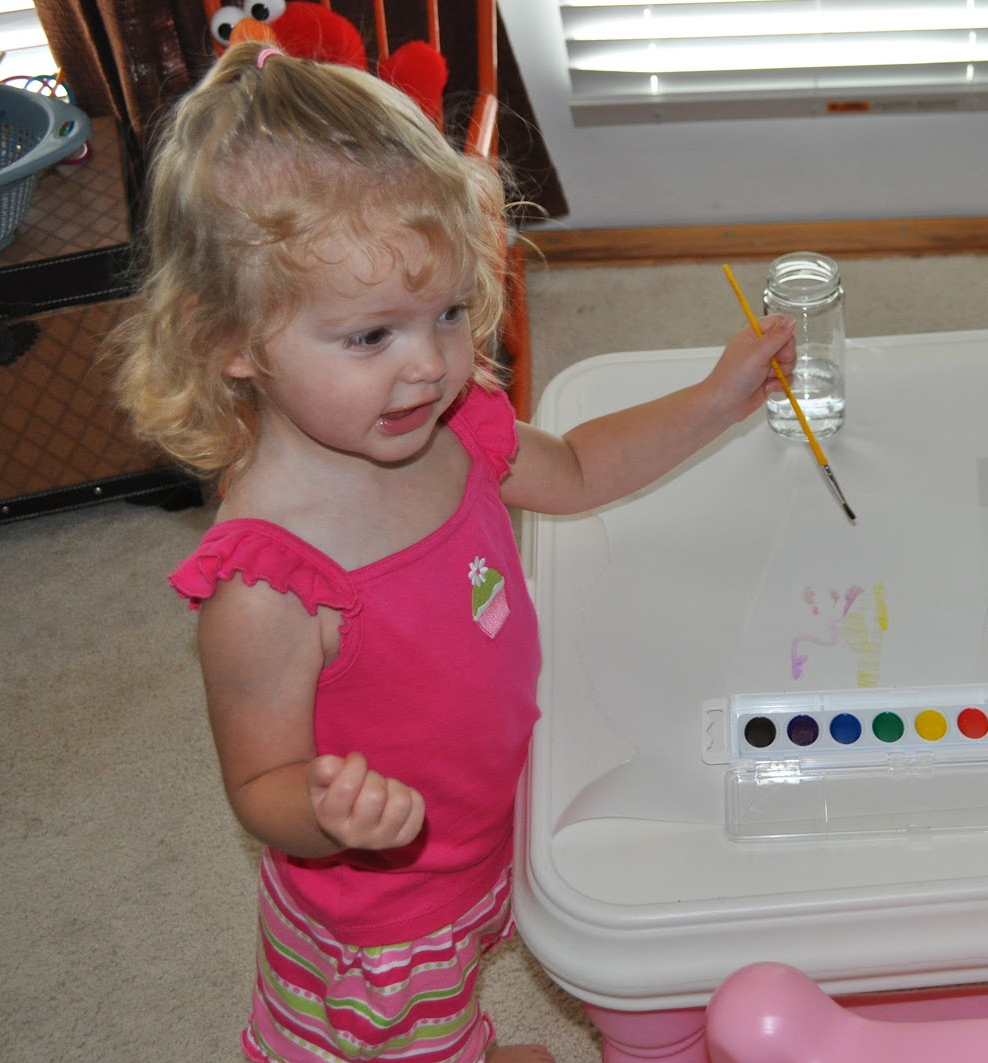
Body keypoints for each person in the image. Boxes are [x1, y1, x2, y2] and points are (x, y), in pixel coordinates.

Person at [110, 41, 795, 1063]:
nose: (429, 364)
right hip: (388, 914)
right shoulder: (267, 586)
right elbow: (261, 784)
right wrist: (328, 813)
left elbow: (575, 470)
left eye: (444, 313)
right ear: (231, 342)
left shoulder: (452, 427)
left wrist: (712, 400)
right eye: (369, 336)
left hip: (494, 821)